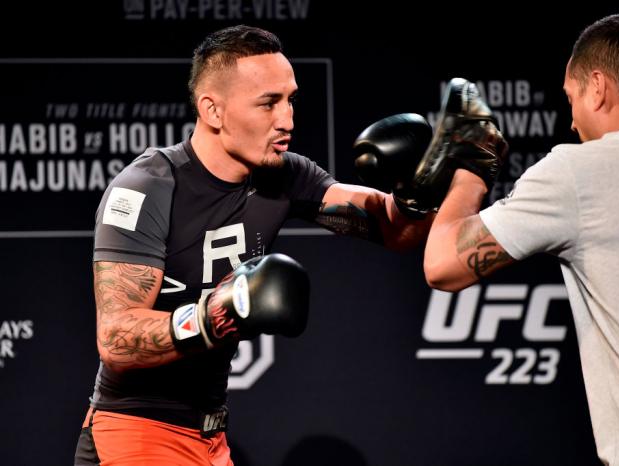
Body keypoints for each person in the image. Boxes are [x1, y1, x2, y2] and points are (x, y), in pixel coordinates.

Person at [74, 25, 436, 465]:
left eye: (290, 100)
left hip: (210, 436)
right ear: (213, 110)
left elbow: (398, 232)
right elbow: (115, 338)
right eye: (268, 103)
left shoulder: (283, 174)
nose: (287, 120)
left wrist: (419, 192)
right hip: (137, 432)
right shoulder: (147, 186)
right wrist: (215, 315)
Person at [421, 14, 619, 466]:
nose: (571, 122)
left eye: (571, 99)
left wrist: (472, 168)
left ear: (597, 87)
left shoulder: (582, 171)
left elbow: (441, 265)